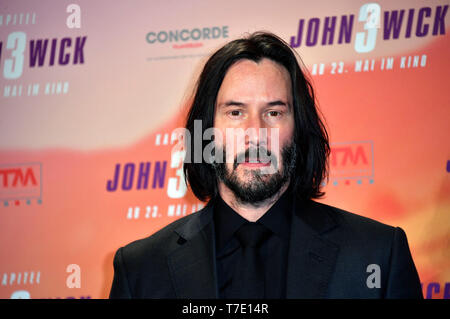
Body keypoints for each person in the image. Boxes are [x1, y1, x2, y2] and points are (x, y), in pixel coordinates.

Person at [109, 32, 423, 299]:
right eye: (235, 113)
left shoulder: (378, 254)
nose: (255, 133)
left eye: (273, 112)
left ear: (298, 128)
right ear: (206, 131)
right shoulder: (140, 269)